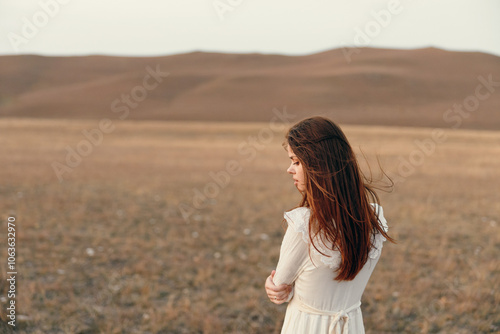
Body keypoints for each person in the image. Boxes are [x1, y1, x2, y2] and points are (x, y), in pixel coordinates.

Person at [264, 116, 394, 334]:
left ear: (318, 165)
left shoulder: (305, 225)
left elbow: (279, 287)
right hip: (351, 325)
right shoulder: (373, 219)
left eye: (296, 162)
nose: (290, 169)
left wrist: (274, 285)